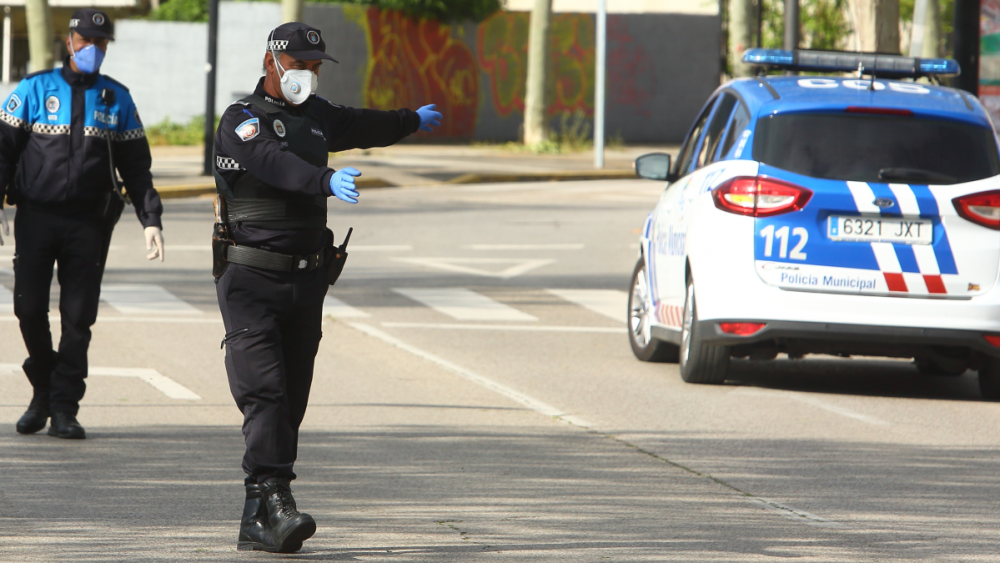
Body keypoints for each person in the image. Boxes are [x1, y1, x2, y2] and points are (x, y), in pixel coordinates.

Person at [213, 22, 441, 553]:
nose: (308, 76)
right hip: (251, 277)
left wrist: (411, 120)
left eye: (315, 68)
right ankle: (275, 500)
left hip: (306, 277)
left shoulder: (316, 116)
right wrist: (325, 180)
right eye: (300, 66)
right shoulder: (242, 120)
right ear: (272, 62)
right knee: (265, 393)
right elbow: (275, 164)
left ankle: (257, 517)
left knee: (291, 397)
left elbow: (362, 123)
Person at [1, 10, 164, 440]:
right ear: (70, 41)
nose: (93, 48)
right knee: (28, 308)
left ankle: (63, 407)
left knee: (78, 317)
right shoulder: (34, 89)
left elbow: (137, 167)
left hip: (90, 222)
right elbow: (3, 150)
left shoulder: (118, 98)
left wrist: (150, 218)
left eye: (101, 41)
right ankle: (43, 389)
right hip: (36, 216)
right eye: (86, 40)